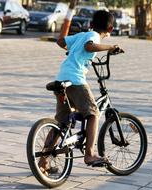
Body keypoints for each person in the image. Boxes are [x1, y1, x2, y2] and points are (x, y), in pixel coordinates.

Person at [39, 10, 122, 174]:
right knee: (93, 113)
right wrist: (111, 47)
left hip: (61, 78)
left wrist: (70, 46)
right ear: (110, 29)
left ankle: (42, 161)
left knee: (62, 123)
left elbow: (61, 41)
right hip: (75, 81)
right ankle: (90, 154)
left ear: (91, 24)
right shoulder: (94, 35)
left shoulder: (82, 34)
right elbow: (89, 46)